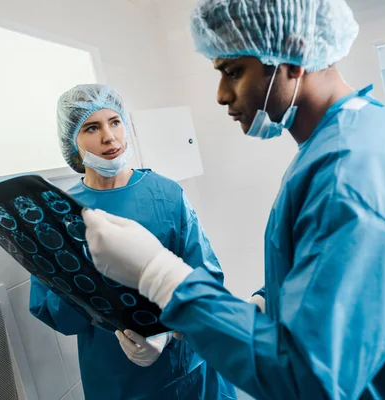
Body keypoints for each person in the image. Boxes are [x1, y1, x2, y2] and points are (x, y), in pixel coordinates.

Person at [79, 1, 385, 399]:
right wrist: (265, 302)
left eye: (233, 71)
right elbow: (326, 274)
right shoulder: (343, 143)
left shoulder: (356, 168)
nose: (222, 95)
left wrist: (160, 275)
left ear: (292, 53)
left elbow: (312, 380)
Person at [29, 84, 237, 400]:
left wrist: (167, 333)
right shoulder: (61, 214)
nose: (109, 137)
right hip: (115, 381)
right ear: (72, 141)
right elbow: (53, 312)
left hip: (189, 372)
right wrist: (87, 275)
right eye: (91, 127)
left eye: (115, 122)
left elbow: (205, 280)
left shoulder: (166, 195)